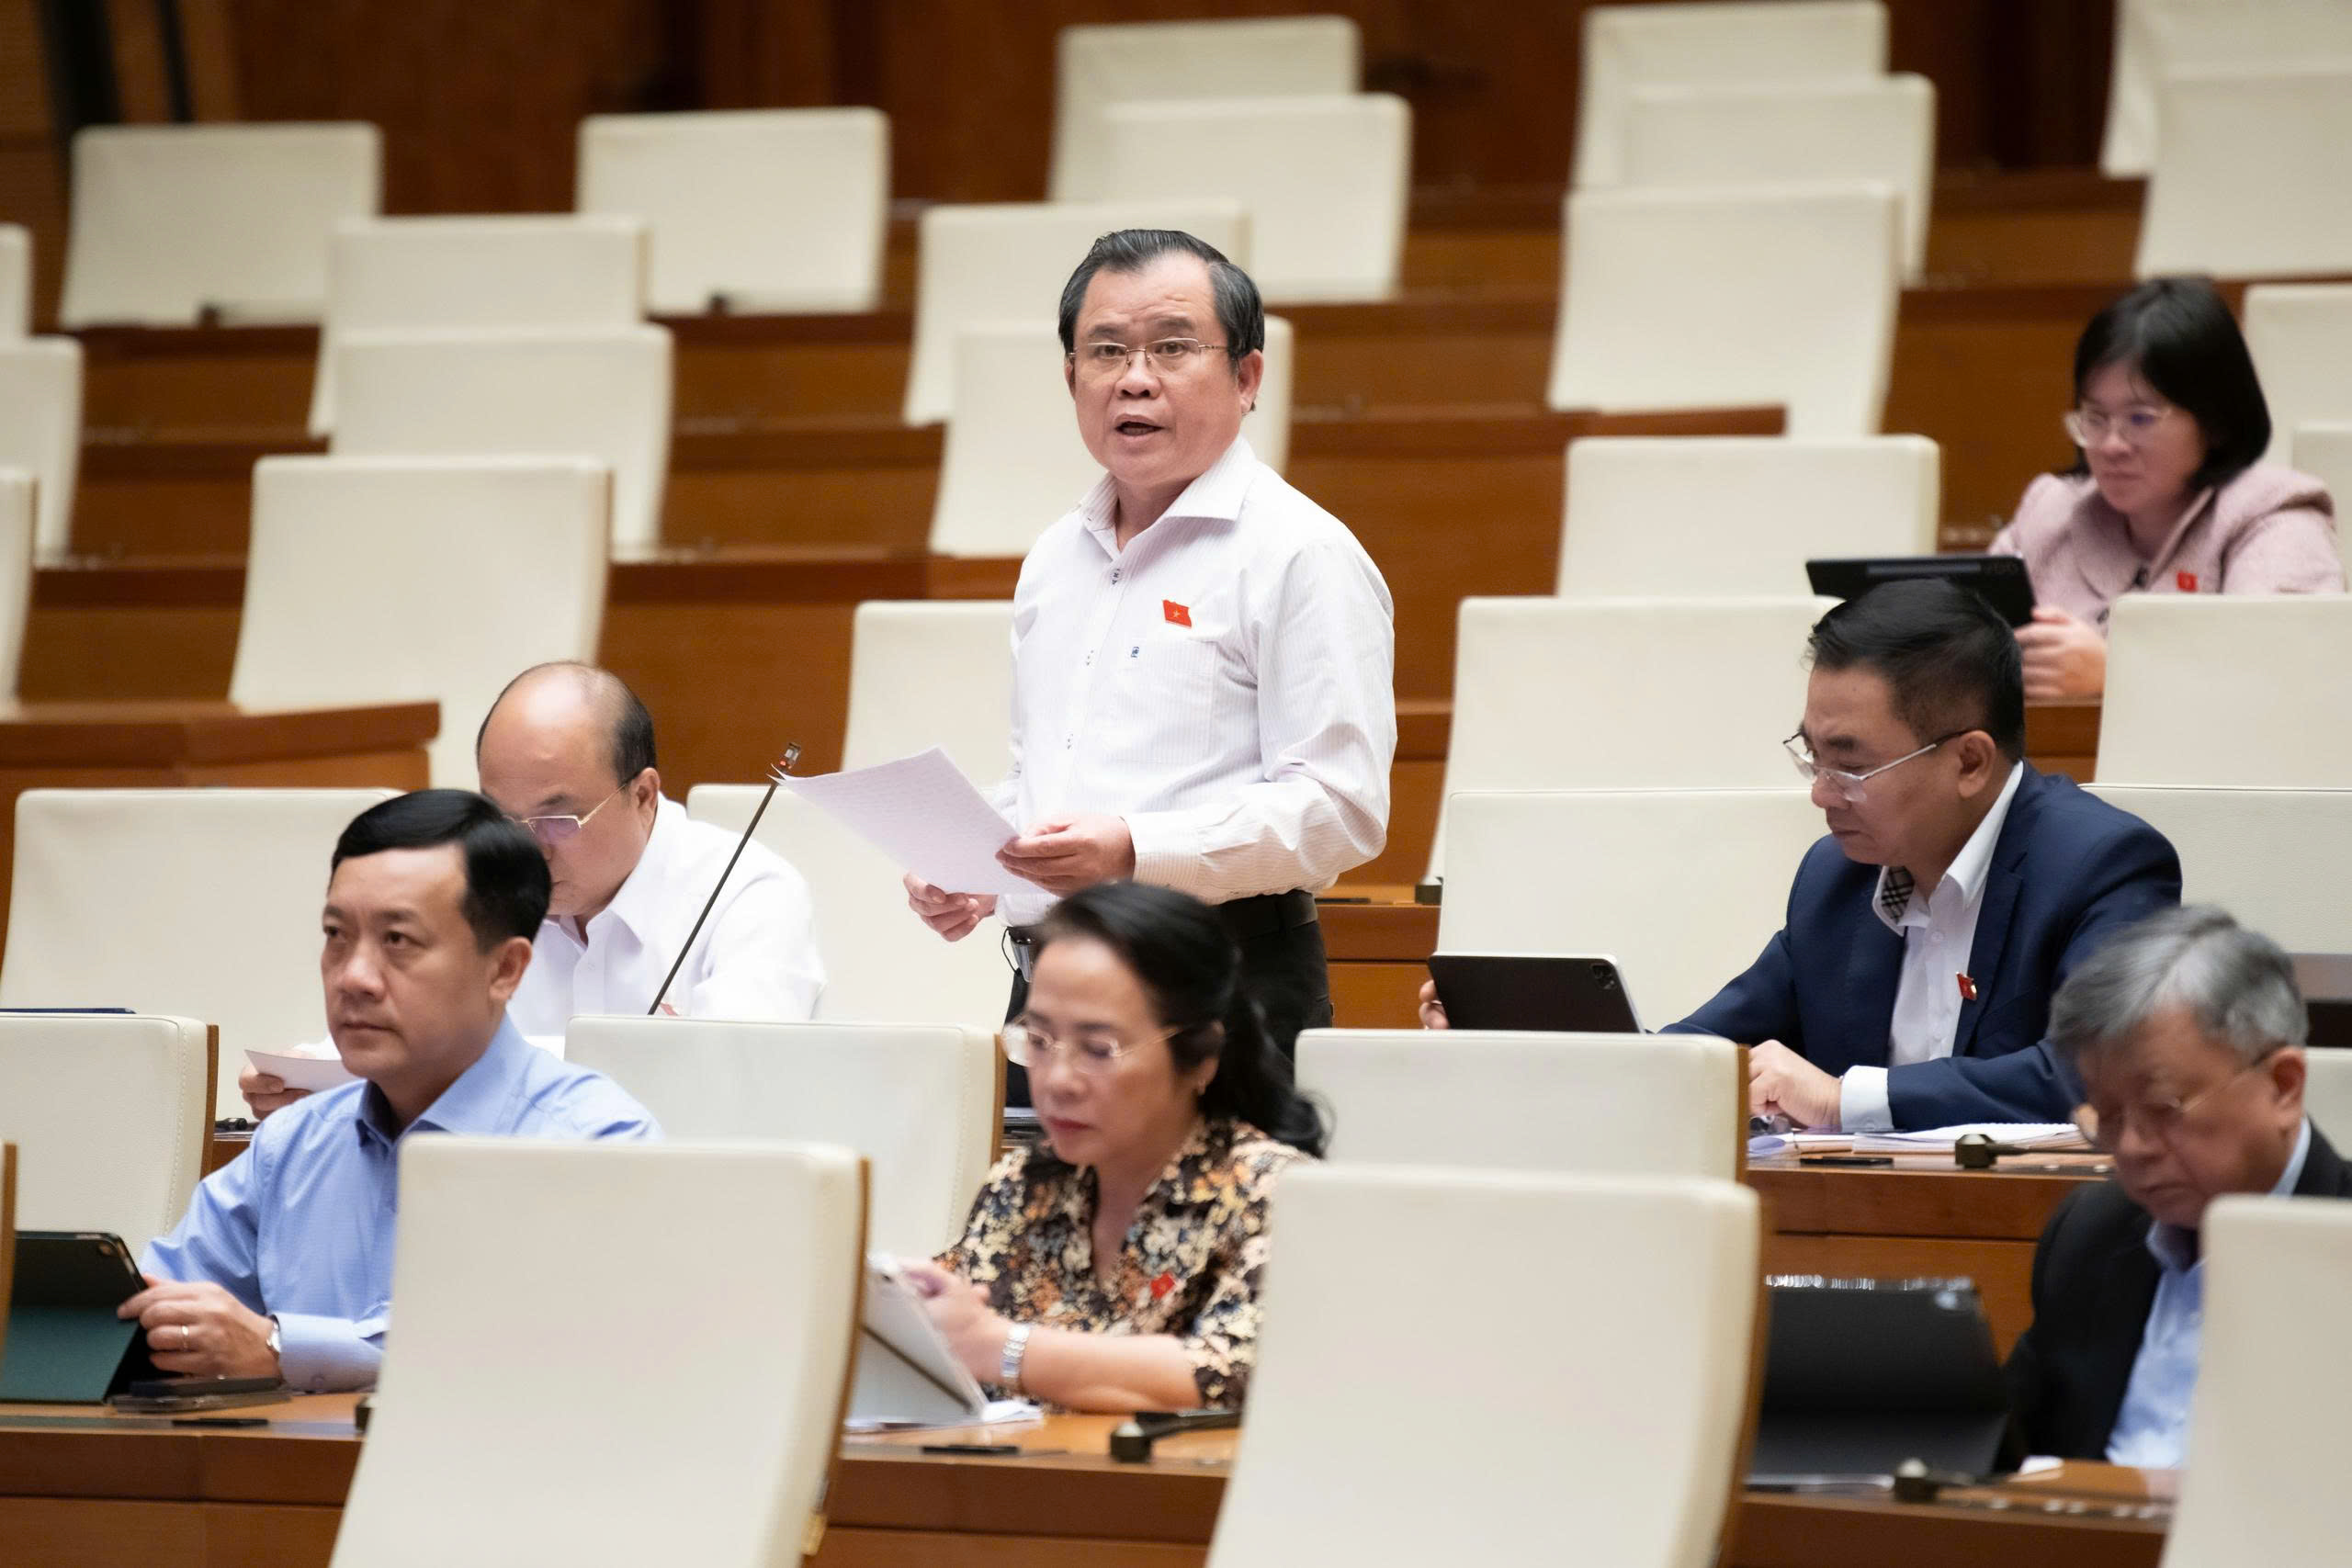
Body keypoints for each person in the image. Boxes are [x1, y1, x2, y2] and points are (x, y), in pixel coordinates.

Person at [1422, 579, 2182, 1131]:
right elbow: (1703, 1053)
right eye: (1812, 755)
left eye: (1850, 764)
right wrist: (1520, 1044)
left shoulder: (2102, 864)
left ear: (1970, 761)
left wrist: (1842, 1098)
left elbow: (2094, 1072)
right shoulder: (1836, 879)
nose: (1821, 793)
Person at [902, 229, 1396, 1068]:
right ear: (1071, 379)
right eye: (1106, 351)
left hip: (1218, 984)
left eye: (1172, 347)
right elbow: (1047, 776)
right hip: (1050, 989)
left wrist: (1135, 849)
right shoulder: (1055, 558)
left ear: (1247, 377)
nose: (1135, 378)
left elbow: (1341, 809)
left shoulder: (1299, 553)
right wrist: (979, 862)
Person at [128, 790, 659, 1392]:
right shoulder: (291, 1146)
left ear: (505, 969)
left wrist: (281, 1348)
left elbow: (538, 1350)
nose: (354, 977)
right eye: (336, 935)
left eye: (398, 940)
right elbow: (151, 1309)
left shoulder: (596, 1144)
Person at [244, 661, 823, 1115]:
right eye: (501, 817)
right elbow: (414, 1026)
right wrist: (309, 1072)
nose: (528, 848)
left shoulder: (750, 894)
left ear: (643, 796)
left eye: (557, 820)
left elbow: (734, 1082)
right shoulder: (478, 881)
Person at [900, 880, 1325, 1412]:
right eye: (1039, 1041)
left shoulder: (1275, 1192)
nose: (1058, 1080)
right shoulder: (1023, 1184)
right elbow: (951, 1323)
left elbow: (1237, 1373)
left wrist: (1001, 1348)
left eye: (1098, 1049)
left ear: (1201, 1056)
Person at [2006, 906, 2350, 1462]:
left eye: (2163, 1108)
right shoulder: (2089, 1234)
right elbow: (2004, 1458)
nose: (2132, 1147)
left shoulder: (2341, 1245)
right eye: (2108, 1116)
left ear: (2283, 1086)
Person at [1991, 276, 2340, 699]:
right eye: (2095, 418)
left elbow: (2287, 680)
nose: (2111, 445)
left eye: (2140, 418)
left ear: (2214, 421)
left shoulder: (2275, 518)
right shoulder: (2051, 508)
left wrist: (2117, 674)